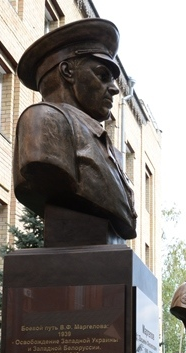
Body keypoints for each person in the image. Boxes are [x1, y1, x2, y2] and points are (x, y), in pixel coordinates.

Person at [14, 18, 137, 242]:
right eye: (102, 75)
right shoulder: (44, 120)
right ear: (67, 71)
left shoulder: (104, 144)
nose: (114, 89)